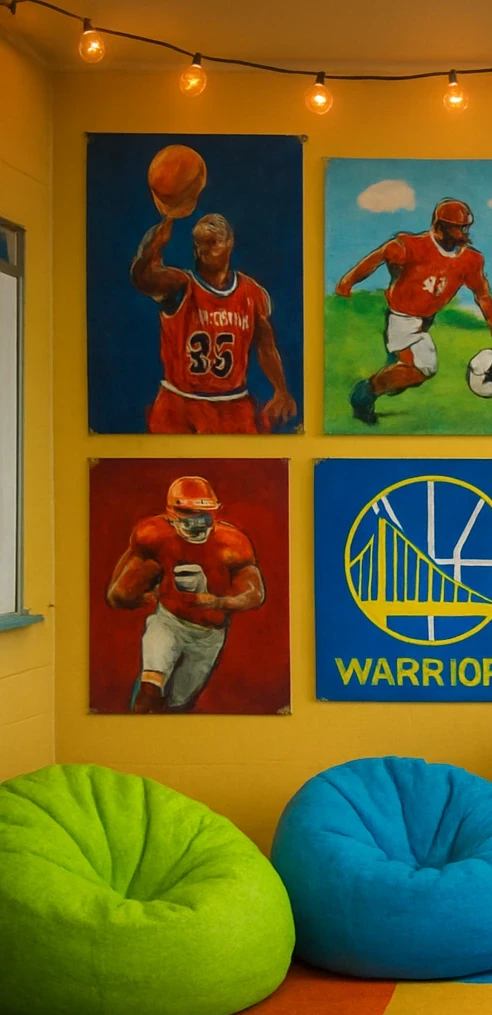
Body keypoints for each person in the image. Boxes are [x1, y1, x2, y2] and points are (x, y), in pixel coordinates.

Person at [335, 198, 492, 424]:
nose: (464, 232)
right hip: (402, 318)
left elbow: (482, 293)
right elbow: (380, 255)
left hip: (425, 320)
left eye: (465, 227)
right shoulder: (411, 245)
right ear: (441, 226)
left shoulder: (471, 260)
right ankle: (363, 395)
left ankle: (392, 371)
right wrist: (348, 281)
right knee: (423, 368)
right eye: (458, 227)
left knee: (411, 376)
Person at [106, 476, 266, 713]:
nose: (197, 524)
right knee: (151, 687)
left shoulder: (232, 543)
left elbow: (255, 593)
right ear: (172, 516)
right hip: (168, 622)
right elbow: (118, 593)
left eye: (203, 516)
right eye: (188, 517)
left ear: (214, 514)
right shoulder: (153, 535)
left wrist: (217, 602)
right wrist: (148, 594)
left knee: (178, 704)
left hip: (208, 635)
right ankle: (135, 734)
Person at [130, 213, 296, 433]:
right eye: (198, 244)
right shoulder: (180, 284)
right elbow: (142, 278)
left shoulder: (251, 292)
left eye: (212, 243)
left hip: (232, 404)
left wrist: (281, 390)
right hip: (180, 402)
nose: (203, 251)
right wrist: (155, 242)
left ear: (230, 243)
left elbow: (265, 346)